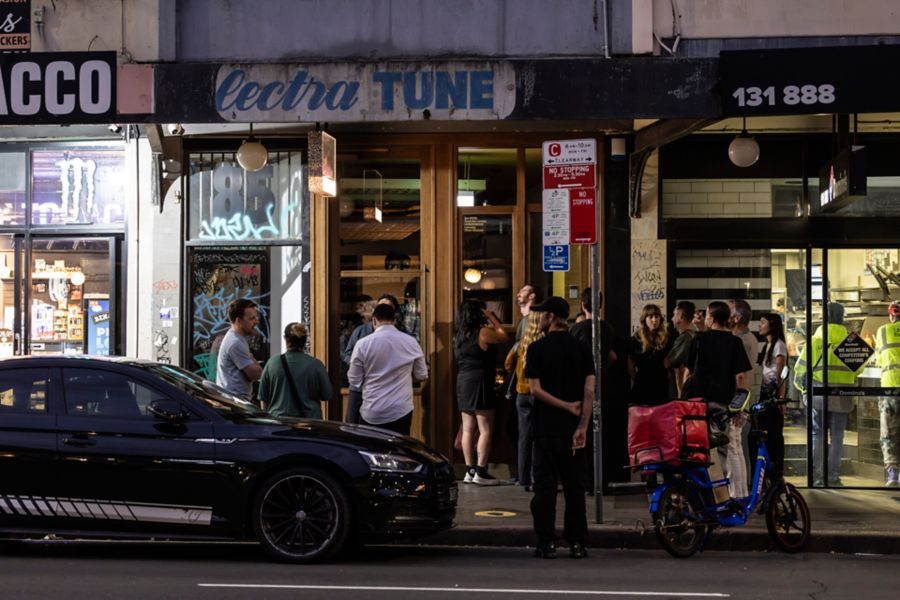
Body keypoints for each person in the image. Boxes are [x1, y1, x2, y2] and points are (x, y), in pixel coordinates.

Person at [524, 296, 595, 559]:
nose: (540, 318)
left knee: (544, 487)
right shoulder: (582, 349)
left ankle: (547, 542)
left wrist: (565, 406)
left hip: (545, 429)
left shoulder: (537, 349)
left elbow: (535, 390)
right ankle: (577, 543)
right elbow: (589, 390)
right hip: (574, 431)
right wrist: (583, 426)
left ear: (551, 317)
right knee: (575, 488)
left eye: (542, 313)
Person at [682, 301, 752, 498]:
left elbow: (688, 373)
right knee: (731, 448)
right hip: (725, 406)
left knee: (702, 449)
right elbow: (740, 377)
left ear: (711, 318)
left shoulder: (698, 340)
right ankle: (737, 495)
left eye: (706, 314)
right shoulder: (734, 342)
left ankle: (711, 495)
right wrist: (738, 406)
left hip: (700, 405)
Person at [793, 302, 858, 487]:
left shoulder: (814, 341)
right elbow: (859, 369)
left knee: (817, 434)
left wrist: (803, 391)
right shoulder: (850, 341)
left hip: (819, 393)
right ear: (842, 318)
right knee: (837, 436)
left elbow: (799, 371)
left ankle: (817, 476)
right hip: (843, 393)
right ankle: (833, 476)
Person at [347, 303, 427, 435]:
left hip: (372, 410)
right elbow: (422, 375)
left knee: (370, 451)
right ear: (394, 320)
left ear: (374, 320)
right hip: (400, 410)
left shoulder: (362, 344)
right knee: (398, 452)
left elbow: (354, 380)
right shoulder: (411, 342)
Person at [454, 299, 508, 484]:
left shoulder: (459, 336)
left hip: (463, 381)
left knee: (467, 428)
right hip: (480, 381)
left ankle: (469, 470)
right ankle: (481, 471)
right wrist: (492, 316)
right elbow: (503, 336)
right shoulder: (483, 332)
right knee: (485, 428)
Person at [342, 294, 404, 424]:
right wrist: (357, 364)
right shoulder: (360, 331)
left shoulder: (401, 334)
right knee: (352, 426)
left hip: (385, 390)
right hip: (359, 388)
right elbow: (347, 353)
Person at [258, 322, 332, 419]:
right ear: (305, 340)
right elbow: (327, 395)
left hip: (278, 423)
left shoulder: (272, 363)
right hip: (309, 423)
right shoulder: (316, 365)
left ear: (285, 339)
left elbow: (263, 397)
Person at [504, 310, 544, 490]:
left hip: (521, 394)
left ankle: (523, 478)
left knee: (524, 437)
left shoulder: (521, 344)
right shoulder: (543, 342)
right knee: (538, 437)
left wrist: (519, 373)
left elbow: (507, 364)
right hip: (539, 394)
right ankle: (537, 477)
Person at [727, 298, 759, 497]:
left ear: (737, 318)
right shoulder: (744, 339)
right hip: (740, 400)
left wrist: (737, 405)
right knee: (737, 446)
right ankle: (741, 491)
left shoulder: (743, 341)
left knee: (736, 447)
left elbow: (740, 376)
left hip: (738, 401)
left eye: (728, 312)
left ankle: (740, 493)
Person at [754, 312, 788, 479]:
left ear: (772, 325)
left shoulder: (779, 345)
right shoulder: (767, 346)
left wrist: (780, 398)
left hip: (772, 396)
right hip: (764, 395)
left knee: (774, 435)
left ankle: (776, 472)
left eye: (762, 322)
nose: (759, 326)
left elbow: (781, 373)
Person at [874, 300, 900, 487]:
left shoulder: (883, 331)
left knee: (889, 432)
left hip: (890, 387)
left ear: (892, 315)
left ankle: (893, 473)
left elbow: (878, 359)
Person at [216, 298, 263, 400]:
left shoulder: (236, 338)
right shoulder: (235, 342)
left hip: (235, 400)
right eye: (252, 318)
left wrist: (251, 359)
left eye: (256, 317)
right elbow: (256, 374)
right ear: (239, 321)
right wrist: (253, 360)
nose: (256, 321)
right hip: (236, 402)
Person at [628, 304, 671, 406]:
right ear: (644, 319)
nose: (654, 320)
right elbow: (630, 361)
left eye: (657, 317)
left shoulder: (666, 337)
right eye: (650, 317)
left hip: (660, 383)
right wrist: (635, 377)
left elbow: (669, 359)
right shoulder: (637, 338)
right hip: (642, 382)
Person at [665, 300, 696, 399]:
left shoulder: (685, 338)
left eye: (674, 314)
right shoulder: (694, 335)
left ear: (681, 316)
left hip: (682, 388)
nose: (672, 318)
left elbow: (668, 362)